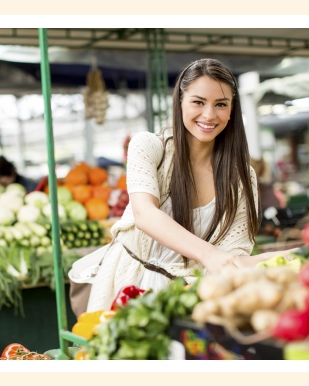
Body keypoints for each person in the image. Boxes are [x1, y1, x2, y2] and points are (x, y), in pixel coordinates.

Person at [72, 58, 297, 314]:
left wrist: (294, 258)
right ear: (180, 102)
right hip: (127, 287)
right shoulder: (148, 146)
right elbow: (145, 214)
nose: (209, 115)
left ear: (232, 110)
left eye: (221, 104)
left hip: (187, 297)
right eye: (198, 102)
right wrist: (210, 255)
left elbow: (233, 258)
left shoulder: (241, 177)